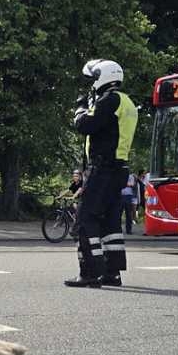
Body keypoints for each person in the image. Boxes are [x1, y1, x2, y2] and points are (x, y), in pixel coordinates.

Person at [64, 59, 138, 288]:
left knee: (85, 219)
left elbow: (85, 124)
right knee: (110, 222)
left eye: (92, 80)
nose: (90, 85)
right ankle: (112, 273)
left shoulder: (110, 99)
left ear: (102, 77)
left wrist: (80, 106)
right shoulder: (126, 101)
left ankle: (90, 272)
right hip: (118, 168)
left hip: (103, 168)